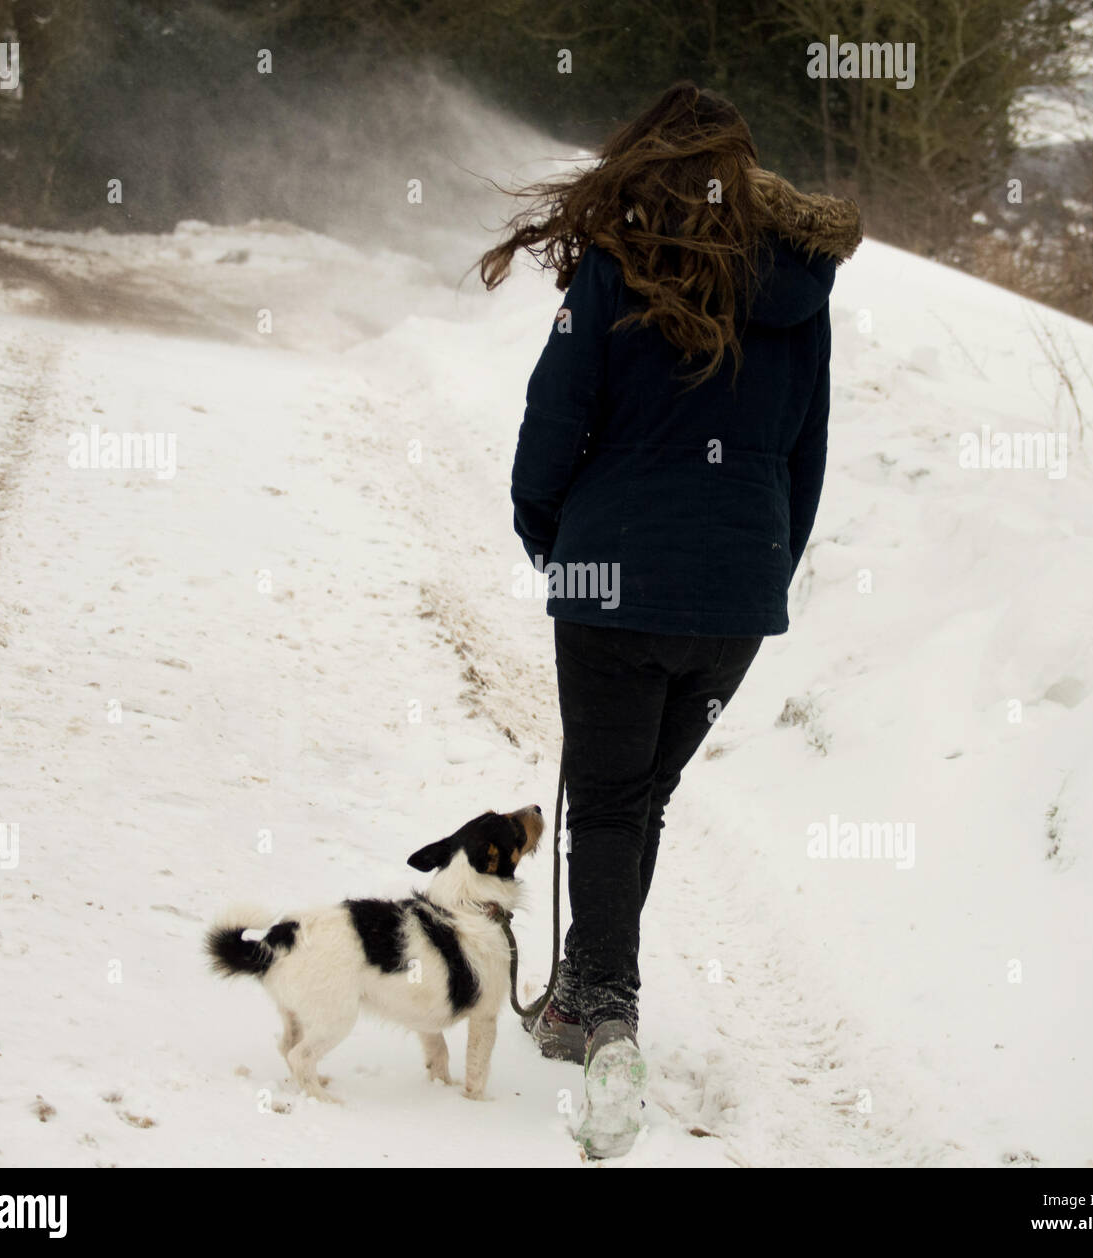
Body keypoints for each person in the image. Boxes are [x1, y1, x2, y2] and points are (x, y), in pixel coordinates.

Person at [479, 80, 862, 1158]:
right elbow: (807, 446)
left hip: (611, 578)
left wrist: (544, 529)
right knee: (640, 794)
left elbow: (555, 413)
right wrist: (766, 564)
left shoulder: (618, 259)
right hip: (733, 597)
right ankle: (586, 988)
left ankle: (601, 1003)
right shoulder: (802, 288)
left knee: (606, 797)